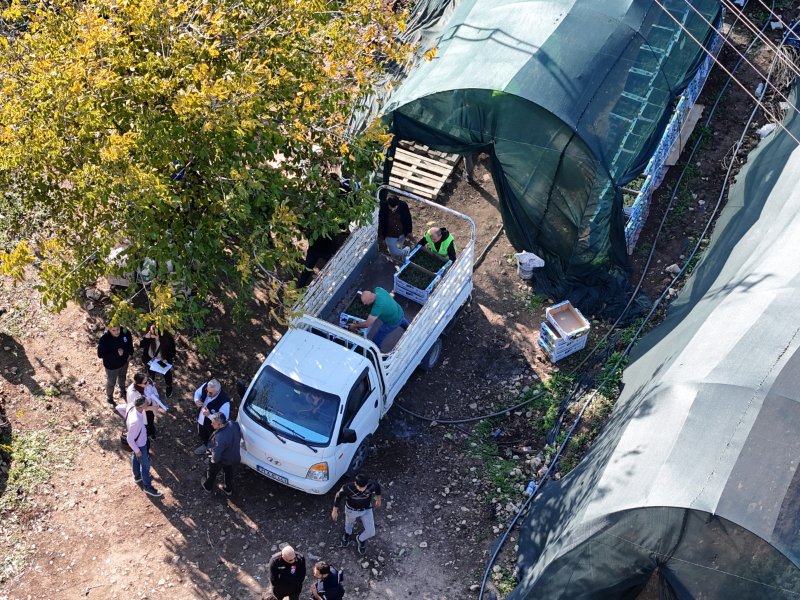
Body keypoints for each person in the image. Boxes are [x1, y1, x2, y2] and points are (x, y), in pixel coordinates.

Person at [332, 473, 382, 555]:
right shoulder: (347, 487)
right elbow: (338, 496)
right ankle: (347, 533)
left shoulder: (372, 485)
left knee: (371, 532)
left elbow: (378, 488)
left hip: (366, 510)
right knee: (349, 523)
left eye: (364, 487)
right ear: (355, 484)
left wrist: (379, 499)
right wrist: (334, 510)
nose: (362, 490)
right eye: (360, 487)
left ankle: (360, 539)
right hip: (351, 510)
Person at [126, 395, 164, 498]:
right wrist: (137, 450)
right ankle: (147, 487)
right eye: (147, 403)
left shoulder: (131, 406)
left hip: (138, 442)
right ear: (141, 407)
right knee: (146, 466)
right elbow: (129, 439)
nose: (148, 404)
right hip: (140, 445)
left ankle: (137, 476)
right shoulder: (136, 422)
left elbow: (120, 408)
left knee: (135, 458)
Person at [201, 412, 242, 495]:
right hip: (233, 456)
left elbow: (216, 457)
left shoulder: (219, 438)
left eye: (214, 423)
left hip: (222, 459)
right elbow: (239, 432)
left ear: (221, 425)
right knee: (228, 471)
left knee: (212, 473)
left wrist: (212, 461)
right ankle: (228, 489)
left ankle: (207, 487)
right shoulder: (232, 424)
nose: (211, 424)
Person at [97, 324, 135, 407]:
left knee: (122, 377)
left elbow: (130, 343)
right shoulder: (104, 339)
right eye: (113, 330)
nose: (117, 332)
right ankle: (109, 398)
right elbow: (100, 354)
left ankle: (122, 390)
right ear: (109, 329)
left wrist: (130, 353)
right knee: (111, 382)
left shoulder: (125, 332)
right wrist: (116, 354)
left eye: (118, 329)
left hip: (124, 362)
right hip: (111, 366)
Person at [193, 379, 230, 455]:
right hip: (201, 420)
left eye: (210, 393)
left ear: (217, 391)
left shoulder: (224, 402)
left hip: (213, 426)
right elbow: (197, 393)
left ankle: (211, 454)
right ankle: (205, 445)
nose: (207, 394)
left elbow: (223, 420)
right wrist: (196, 400)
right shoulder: (205, 386)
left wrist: (209, 415)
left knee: (213, 440)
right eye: (207, 391)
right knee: (202, 433)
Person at [127, 373, 166, 440]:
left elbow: (153, 389)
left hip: (149, 406)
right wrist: (149, 408)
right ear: (139, 384)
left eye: (147, 380)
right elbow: (135, 407)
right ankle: (143, 436)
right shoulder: (133, 393)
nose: (148, 382)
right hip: (141, 412)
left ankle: (151, 433)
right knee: (143, 424)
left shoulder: (149, 382)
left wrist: (156, 397)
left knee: (150, 420)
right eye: (145, 383)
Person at [140, 325, 176, 398]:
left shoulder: (168, 340)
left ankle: (169, 386)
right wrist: (146, 338)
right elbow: (141, 345)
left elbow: (172, 353)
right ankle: (150, 386)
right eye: (150, 331)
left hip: (161, 360)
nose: (150, 333)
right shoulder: (149, 338)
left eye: (152, 332)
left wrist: (166, 359)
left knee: (166, 374)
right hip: (150, 359)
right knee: (150, 373)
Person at [378, 194, 413, 259]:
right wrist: (382, 233)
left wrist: (409, 231)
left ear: (398, 204)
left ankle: (398, 259)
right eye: (390, 207)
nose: (392, 209)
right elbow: (381, 221)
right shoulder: (383, 207)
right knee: (393, 252)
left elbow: (408, 218)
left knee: (399, 248)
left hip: (402, 233)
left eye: (394, 207)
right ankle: (406, 252)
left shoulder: (403, 205)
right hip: (390, 235)